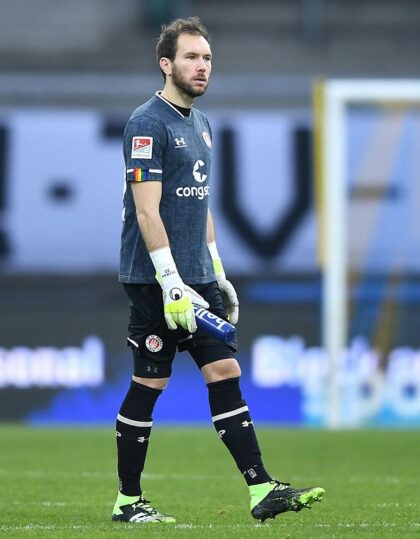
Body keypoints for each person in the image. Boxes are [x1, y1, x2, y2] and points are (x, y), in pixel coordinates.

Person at [112, 16, 324, 524]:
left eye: (206, 58)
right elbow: (147, 211)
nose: (201, 66)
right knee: (150, 384)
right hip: (154, 280)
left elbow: (200, 203)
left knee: (225, 370)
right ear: (166, 64)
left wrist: (217, 270)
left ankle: (261, 490)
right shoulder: (148, 123)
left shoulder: (202, 124)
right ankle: (128, 501)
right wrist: (171, 284)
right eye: (190, 57)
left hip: (197, 277)